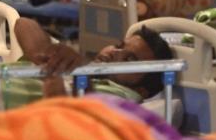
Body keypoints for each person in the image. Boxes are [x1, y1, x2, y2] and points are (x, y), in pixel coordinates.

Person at [13, 17, 173, 101]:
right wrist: (43, 54)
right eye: (119, 45)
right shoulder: (73, 63)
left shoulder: (121, 96)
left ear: (141, 90)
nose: (115, 53)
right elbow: (24, 24)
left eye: (129, 59)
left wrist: (54, 76)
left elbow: (77, 117)